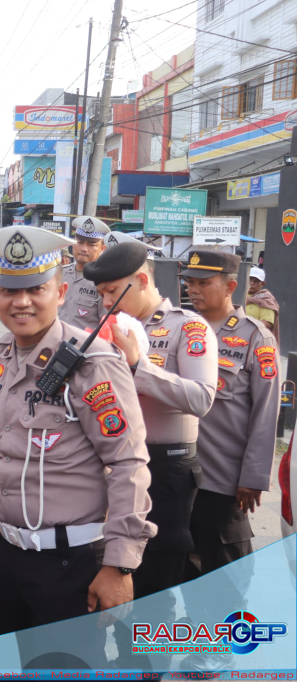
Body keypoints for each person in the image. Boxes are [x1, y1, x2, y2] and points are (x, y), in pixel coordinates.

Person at [0, 227, 154, 659]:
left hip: (70, 565)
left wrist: (119, 563)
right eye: (9, 290)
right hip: (5, 555)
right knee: (8, 665)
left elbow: (129, 463)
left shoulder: (92, 365)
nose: (21, 302)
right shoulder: (0, 356)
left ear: (59, 292)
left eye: (36, 288)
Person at [85, 242, 218, 669]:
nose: (105, 302)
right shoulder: (103, 325)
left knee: (152, 587)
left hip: (165, 470)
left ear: (141, 280)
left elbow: (202, 398)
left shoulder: (189, 328)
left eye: (112, 292)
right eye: (100, 294)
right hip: (108, 468)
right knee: (103, 574)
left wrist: (141, 365)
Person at [179, 251, 279, 672]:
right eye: (190, 282)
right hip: (178, 472)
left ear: (231, 286)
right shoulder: (181, 329)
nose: (193, 289)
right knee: (184, 563)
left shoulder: (256, 337)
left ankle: (218, 647)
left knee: (225, 565)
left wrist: (253, 475)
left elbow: (266, 411)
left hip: (225, 476)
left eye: (204, 283)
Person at [58, 216, 109, 330]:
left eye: (91, 245)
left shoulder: (103, 282)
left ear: (102, 249)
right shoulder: (59, 274)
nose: (84, 249)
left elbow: (105, 326)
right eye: (80, 242)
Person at [246, 267, 280, 342]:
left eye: (256, 281)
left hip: (255, 339)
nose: (252, 283)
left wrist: (247, 329)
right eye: (250, 279)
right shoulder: (238, 295)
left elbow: (267, 323)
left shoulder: (266, 299)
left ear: (262, 284)